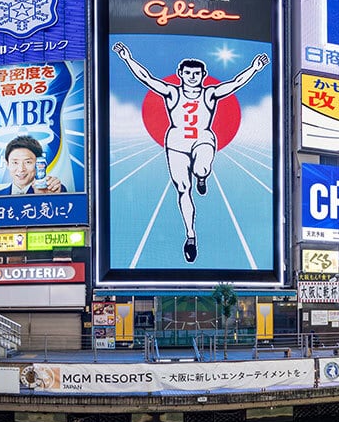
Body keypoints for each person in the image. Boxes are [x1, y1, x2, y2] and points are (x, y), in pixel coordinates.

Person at [112, 42, 268, 262]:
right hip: (176, 143)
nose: (192, 77)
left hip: (203, 138)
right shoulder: (172, 93)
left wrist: (254, 68)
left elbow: (233, 84)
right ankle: (191, 235)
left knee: (202, 167)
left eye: (196, 73)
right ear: (180, 74)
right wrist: (127, 58)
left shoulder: (210, 93)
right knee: (183, 189)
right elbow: (147, 78)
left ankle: (202, 177)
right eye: (188, 73)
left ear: (203, 75)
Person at [0, 135, 66, 196]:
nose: (21, 169)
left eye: (28, 162)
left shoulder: (55, 190)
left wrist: (46, 198)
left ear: (38, 164)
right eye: (15, 162)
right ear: (7, 164)